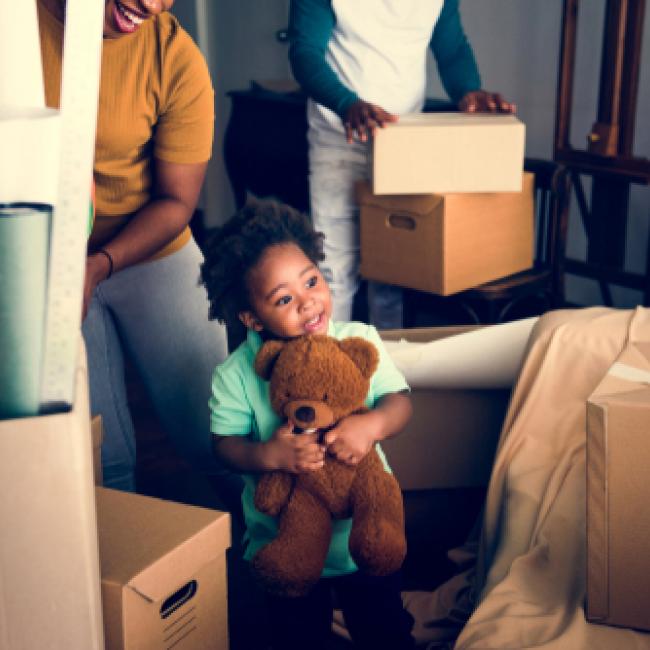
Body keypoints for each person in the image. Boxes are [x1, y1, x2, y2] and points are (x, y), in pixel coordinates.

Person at [36, 0, 241, 508]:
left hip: (150, 248)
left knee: (217, 436)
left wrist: (98, 265)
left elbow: (177, 202)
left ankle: (281, 563)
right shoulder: (13, 29)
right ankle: (122, 581)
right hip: (41, 257)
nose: (153, 4)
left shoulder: (175, 59)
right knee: (100, 462)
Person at [200, 199, 415, 650]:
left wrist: (371, 426)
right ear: (252, 318)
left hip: (364, 534)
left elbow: (400, 404)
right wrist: (267, 455)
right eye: (284, 299)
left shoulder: (357, 341)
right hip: (283, 543)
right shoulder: (236, 374)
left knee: (385, 630)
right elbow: (224, 446)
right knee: (297, 637)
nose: (308, 303)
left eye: (311, 281)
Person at [289, 0, 517, 329]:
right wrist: (347, 103)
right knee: (334, 271)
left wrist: (468, 90)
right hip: (339, 139)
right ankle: (330, 374)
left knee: (392, 273)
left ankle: (388, 374)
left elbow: (451, 48)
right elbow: (304, 52)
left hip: (402, 144)